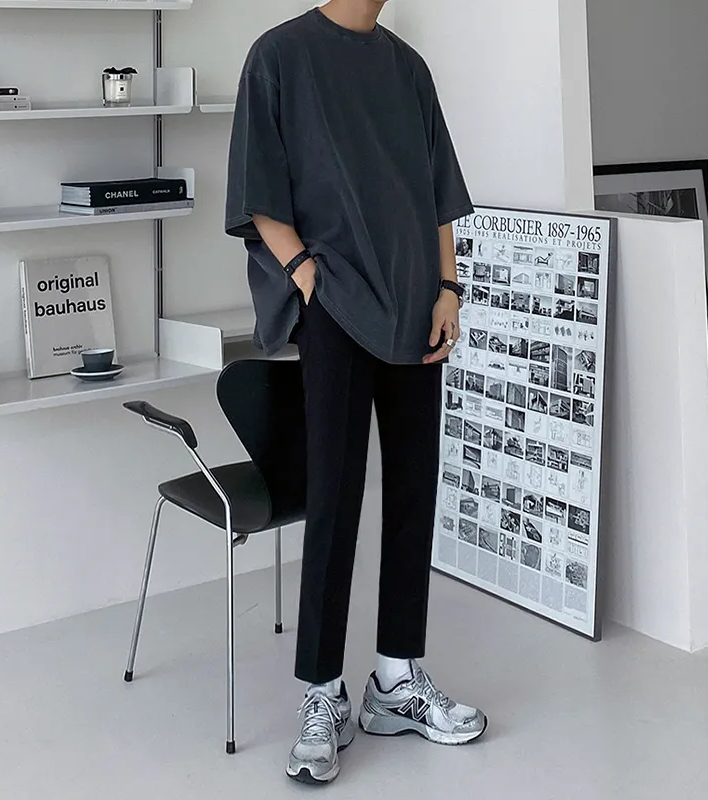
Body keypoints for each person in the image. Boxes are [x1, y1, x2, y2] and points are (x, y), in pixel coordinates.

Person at [225, 0, 487, 785]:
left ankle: (396, 681)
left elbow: (438, 194)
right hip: (334, 307)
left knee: (413, 491)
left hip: (418, 309)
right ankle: (322, 693)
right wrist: (307, 277)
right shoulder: (279, 56)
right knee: (334, 495)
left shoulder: (408, 69)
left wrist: (448, 288)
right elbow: (259, 194)